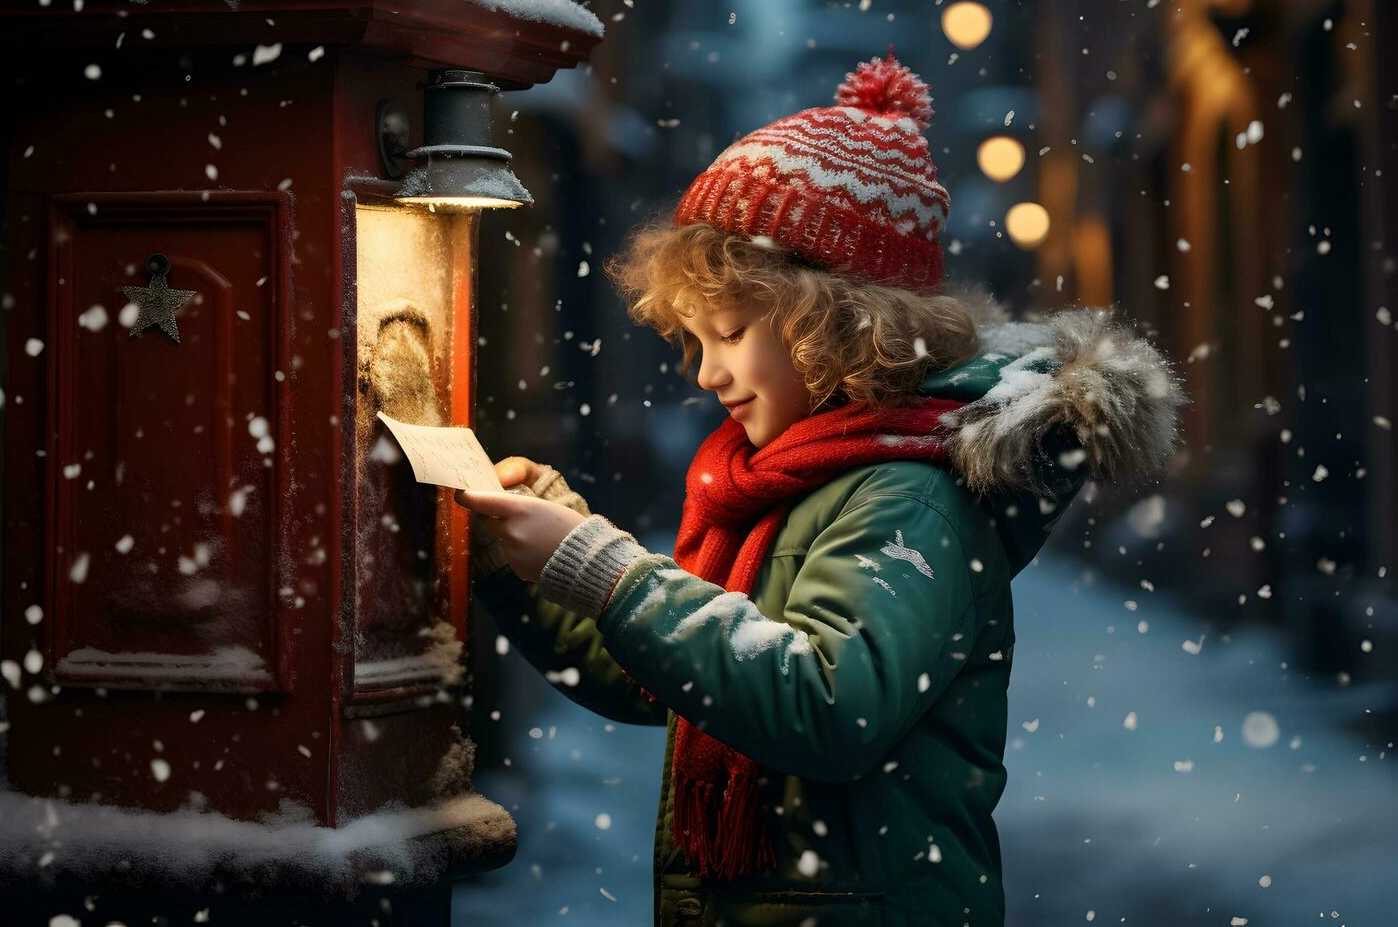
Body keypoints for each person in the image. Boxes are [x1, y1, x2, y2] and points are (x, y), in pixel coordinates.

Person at [455, 50, 1187, 927]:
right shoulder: (787, 483)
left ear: (837, 326)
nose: (707, 373)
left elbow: (824, 704)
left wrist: (605, 570)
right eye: (691, 342)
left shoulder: (906, 494)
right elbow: (671, 676)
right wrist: (535, 554)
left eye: (728, 332)